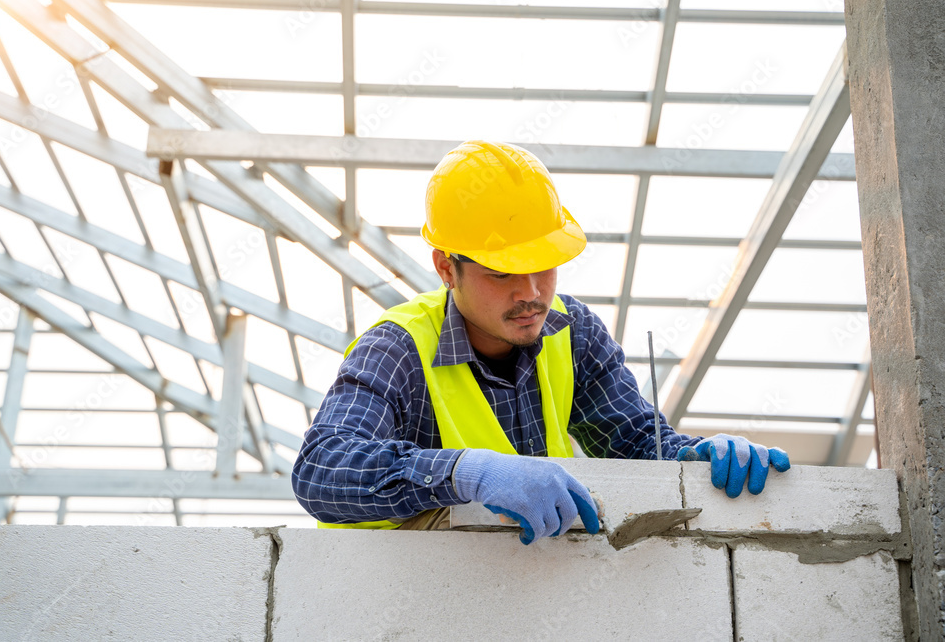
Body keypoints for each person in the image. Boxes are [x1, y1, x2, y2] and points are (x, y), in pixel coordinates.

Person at [292, 140, 790, 544]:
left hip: (533, 590)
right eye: (502, 272)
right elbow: (321, 469)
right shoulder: (398, 348)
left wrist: (696, 456)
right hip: (399, 599)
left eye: (543, 266)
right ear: (447, 267)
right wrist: (467, 472)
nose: (530, 294)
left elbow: (635, 444)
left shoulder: (571, 331)